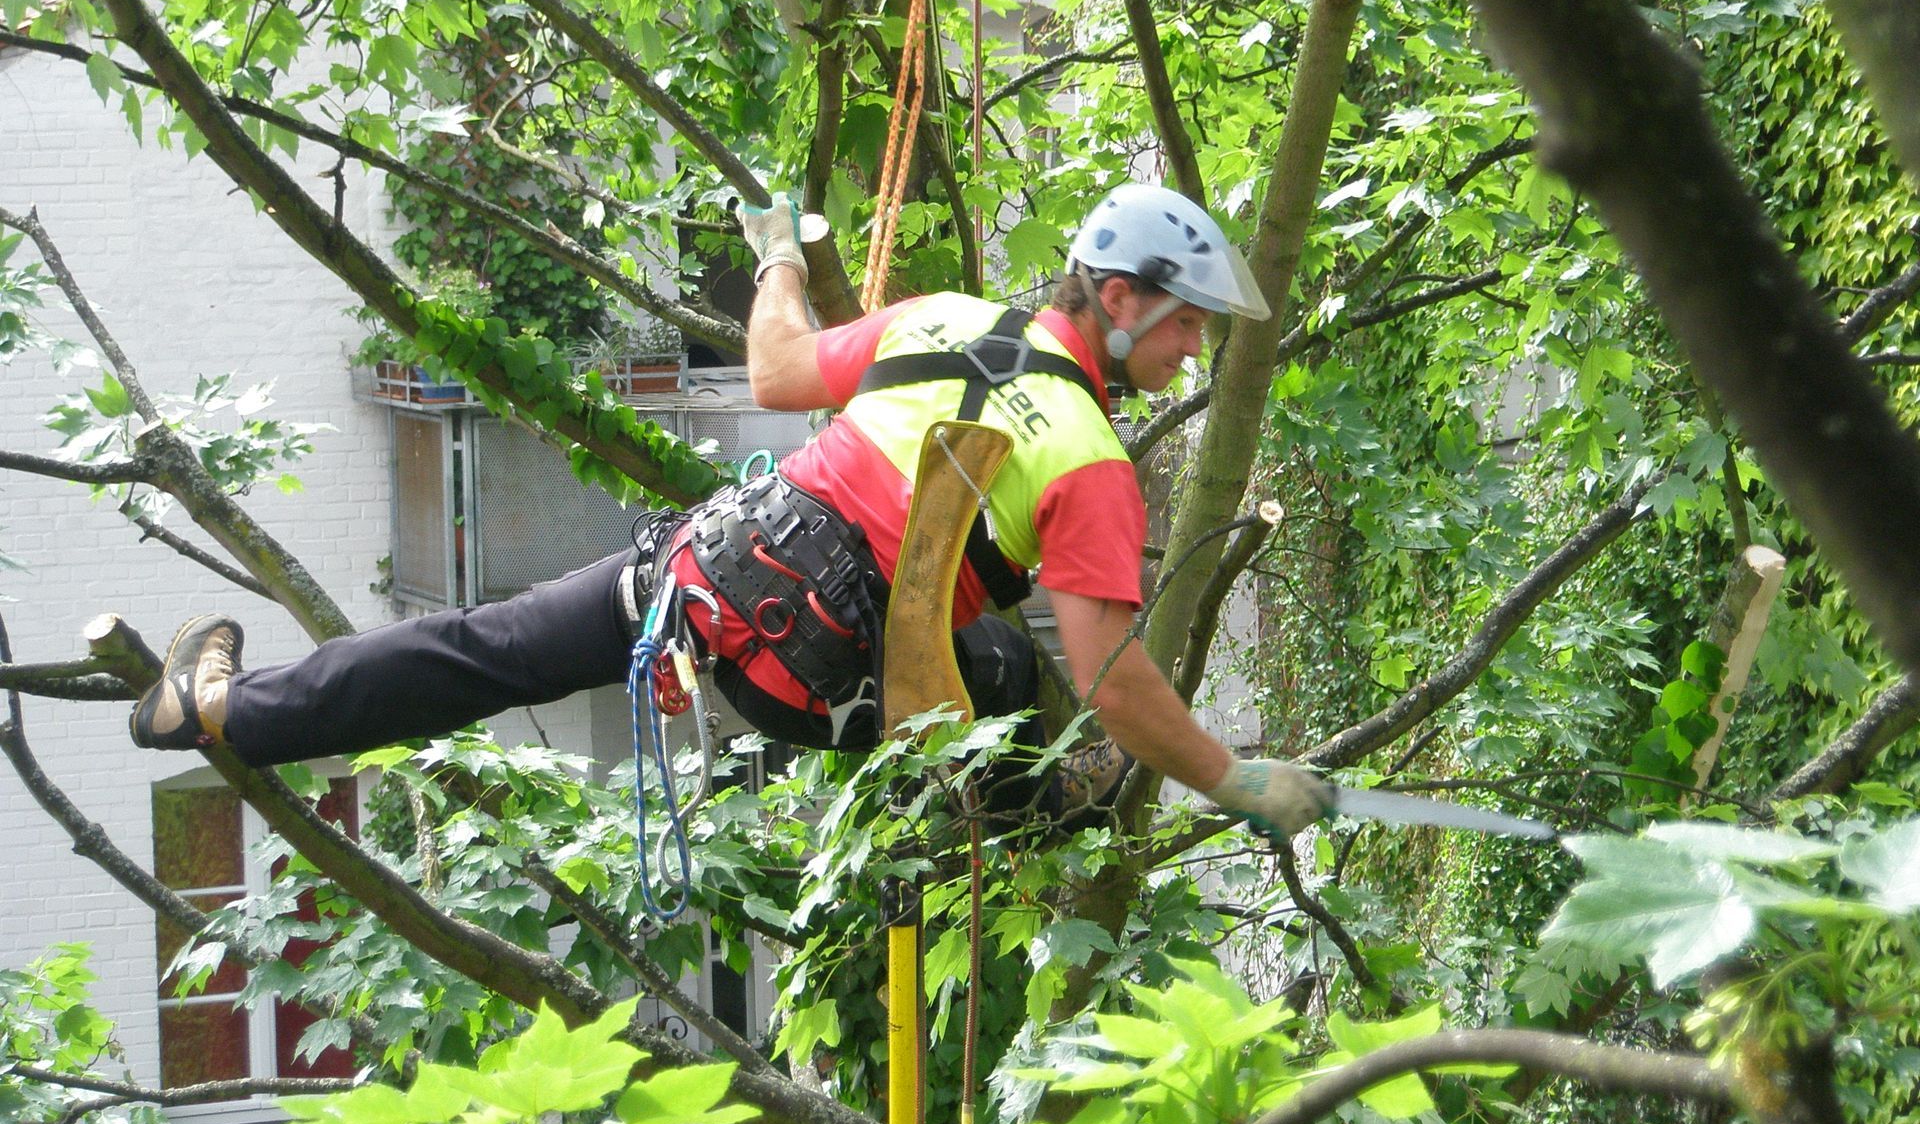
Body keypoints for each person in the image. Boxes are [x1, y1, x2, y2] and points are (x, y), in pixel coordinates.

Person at [129, 183, 1331, 838]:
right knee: (1014, 677)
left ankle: (224, 709)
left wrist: (778, 263)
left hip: (706, 590)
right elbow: (1116, 683)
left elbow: (774, 375)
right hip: (838, 682)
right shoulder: (1089, 460)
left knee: (480, 651)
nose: (1193, 351)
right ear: (1118, 300)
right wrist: (1234, 781)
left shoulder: (943, 319)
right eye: (1186, 325)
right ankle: (1015, 816)